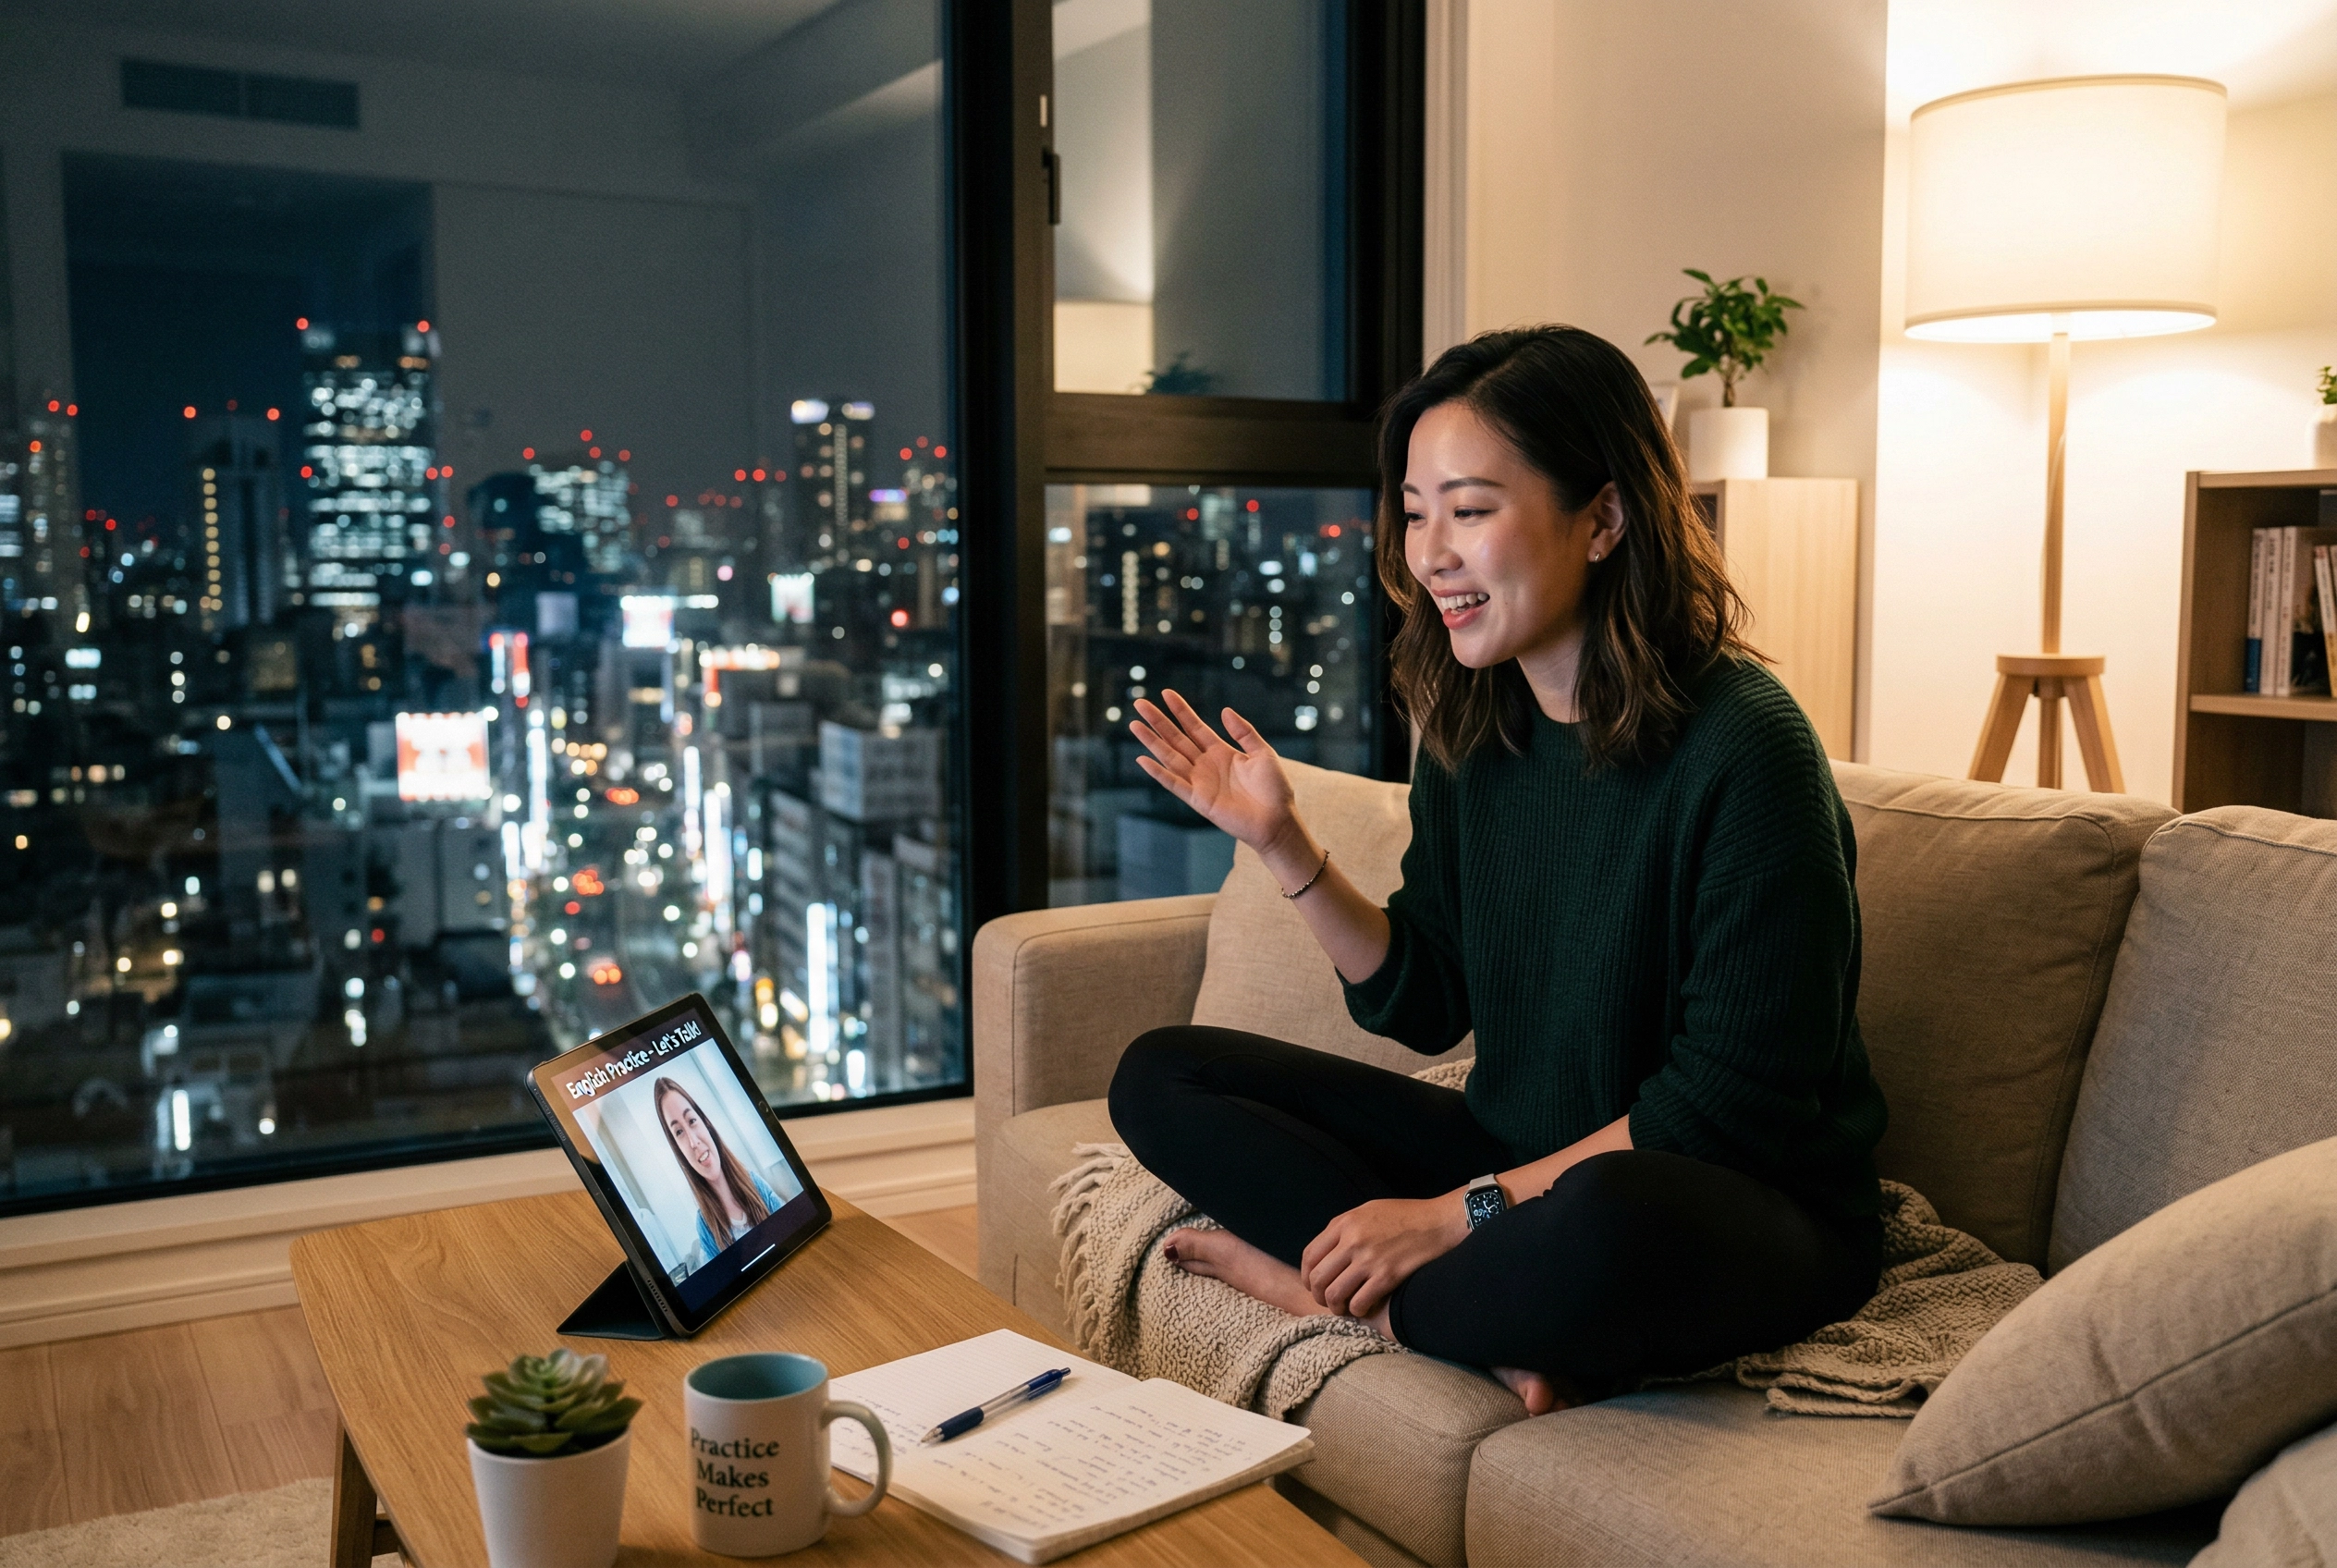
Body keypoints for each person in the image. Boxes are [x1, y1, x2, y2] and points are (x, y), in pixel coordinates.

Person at [1107, 325, 1890, 1415]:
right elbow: (1422, 1001)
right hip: (1524, 1150)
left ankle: (1353, 1303)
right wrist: (1281, 844)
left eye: (1469, 510)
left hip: (1728, 1199)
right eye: (1417, 512)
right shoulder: (1475, 727)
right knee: (1162, 1074)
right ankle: (1475, 1315)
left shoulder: (1746, 748)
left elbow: (1726, 1109)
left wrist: (1452, 1213)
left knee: (1604, 1217)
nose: (1429, 553)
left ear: (1604, 518)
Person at [654, 1076, 784, 1267]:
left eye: (691, 1121)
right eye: (679, 1132)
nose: (693, 1142)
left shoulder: (754, 1183)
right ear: (678, 1149)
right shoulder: (705, 1227)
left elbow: (794, 1230)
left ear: (705, 1123)